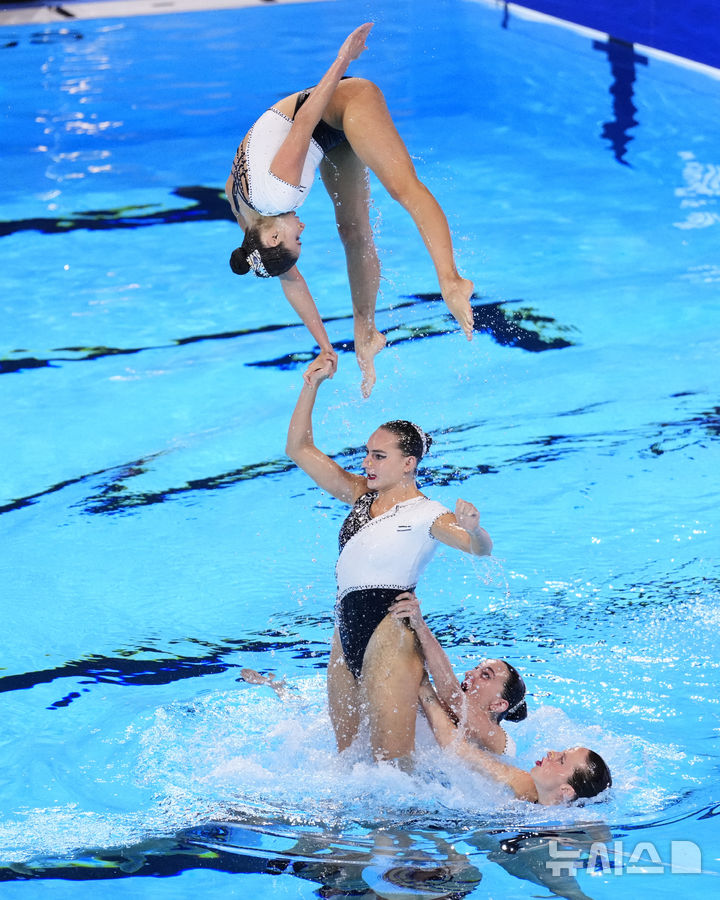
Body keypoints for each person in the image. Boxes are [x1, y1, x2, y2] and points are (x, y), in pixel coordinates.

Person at [225, 22, 475, 397]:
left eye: (296, 240)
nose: (302, 231)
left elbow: (308, 115)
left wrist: (344, 58)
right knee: (352, 231)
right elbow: (290, 280)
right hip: (322, 136)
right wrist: (325, 347)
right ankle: (366, 331)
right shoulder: (246, 215)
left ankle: (451, 280)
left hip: (347, 101)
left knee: (402, 187)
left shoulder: (278, 194)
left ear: (274, 235)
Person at [285, 355, 492, 763]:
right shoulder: (361, 494)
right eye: (367, 454)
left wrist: (473, 528)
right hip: (345, 634)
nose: (366, 463)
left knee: (391, 771)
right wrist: (311, 385)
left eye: (379, 456)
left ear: (408, 463)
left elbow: (478, 549)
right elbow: (298, 448)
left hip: (390, 629)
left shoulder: (428, 513)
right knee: (349, 764)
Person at [419, 677, 612, 804]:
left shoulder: (566, 828)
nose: (551, 753)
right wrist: (424, 688)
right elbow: (457, 748)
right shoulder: (520, 783)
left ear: (566, 791)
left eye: (561, 760)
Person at [390, 592, 526, 756]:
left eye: (485, 675)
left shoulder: (500, 743)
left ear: (498, 705)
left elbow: (452, 693)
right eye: (476, 668)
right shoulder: (440, 706)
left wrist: (420, 625)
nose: (470, 673)